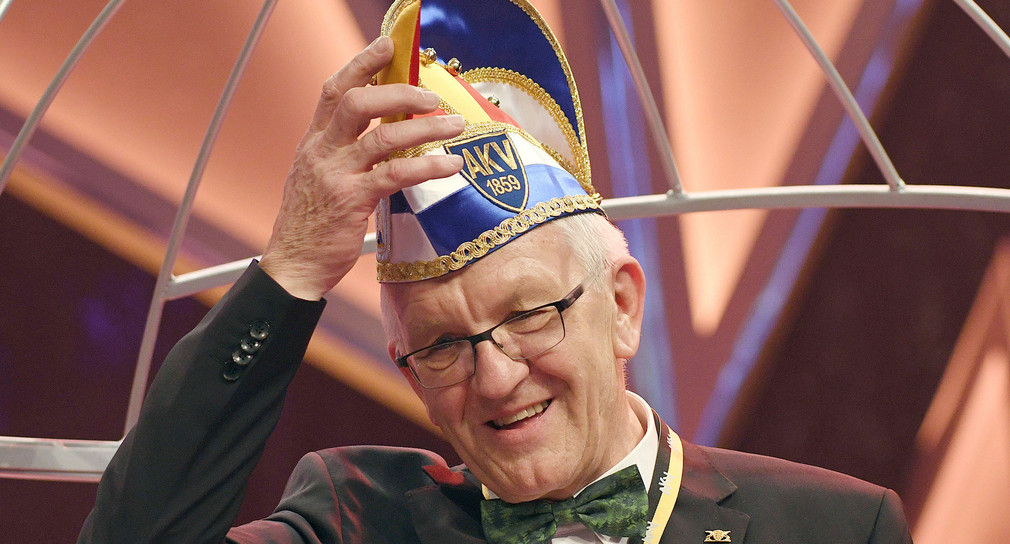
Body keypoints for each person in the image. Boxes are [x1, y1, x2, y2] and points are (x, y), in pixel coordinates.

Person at [78, 1, 913, 542]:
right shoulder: (358, 518)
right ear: (404, 367)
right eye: (442, 344)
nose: (495, 375)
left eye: (527, 316)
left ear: (621, 306)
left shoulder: (836, 528)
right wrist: (294, 265)